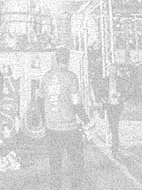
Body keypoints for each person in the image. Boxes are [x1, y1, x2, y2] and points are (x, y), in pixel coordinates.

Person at [41, 47, 89, 190]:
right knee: (77, 162)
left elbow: (39, 100)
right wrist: (86, 120)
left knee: (55, 164)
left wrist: (46, 120)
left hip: (52, 128)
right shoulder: (71, 77)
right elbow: (76, 104)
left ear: (56, 58)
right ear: (68, 59)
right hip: (69, 128)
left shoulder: (46, 77)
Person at [105, 79, 123, 155]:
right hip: (110, 107)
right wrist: (105, 100)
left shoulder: (121, 81)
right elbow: (100, 92)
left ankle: (115, 147)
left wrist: (120, 95)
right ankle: (114, 146)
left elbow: (127, 91)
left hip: (117, 107)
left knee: (115, 127)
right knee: (113, 127)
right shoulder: (105, 81)